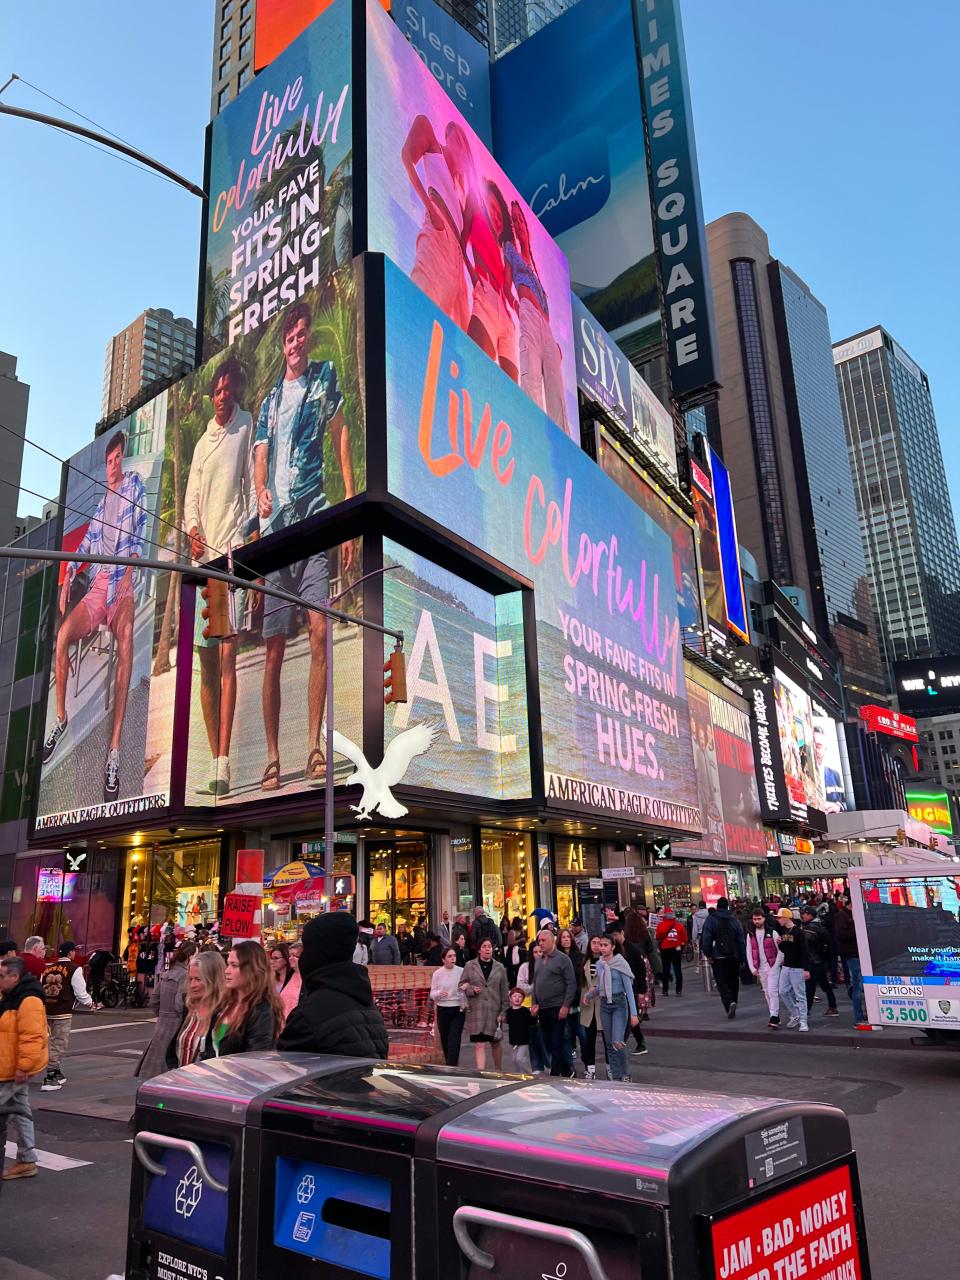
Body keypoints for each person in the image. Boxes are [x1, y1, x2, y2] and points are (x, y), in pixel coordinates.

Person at [253, 301, 355, 792]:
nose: (296, 343)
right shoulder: (271, 401)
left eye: (301, 336)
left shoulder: (325, 378)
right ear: (283, 344)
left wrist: (351, 506)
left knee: (320, 633)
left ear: (309, 339)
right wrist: (260, 491)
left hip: (315, 515)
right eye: (289, 337)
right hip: (277, 533)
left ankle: (313, 745)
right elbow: (261, 458)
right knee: (273, 649)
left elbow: (341, 436)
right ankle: (273, 756)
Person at [43, 429, 146, 801]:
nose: (114, 464)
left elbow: (137, 541)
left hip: (122, 586)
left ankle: (114, 752)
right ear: (105, 465)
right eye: (109, 460)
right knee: (61, 637)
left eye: (118, 457)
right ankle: (61, 720)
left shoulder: (135, 487)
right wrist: (69, 575)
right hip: (99, 587)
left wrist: (128, 578)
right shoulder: (102, 504)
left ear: (124, 459)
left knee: (127, 638)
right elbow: (87, 544)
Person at [183, 355, 256, 796]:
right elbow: (191, 497)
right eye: (218, 389)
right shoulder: (202, 441)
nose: (223, 396)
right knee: (206, 667)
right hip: (200, 566)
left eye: (230, 390)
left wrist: (244, 537)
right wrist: (192, 529)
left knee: (228, 660)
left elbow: (250, 486)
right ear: (212, 393)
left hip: (230, 562)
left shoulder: (246, 427)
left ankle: (225, 764)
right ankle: (213, 759)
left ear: (238, 393)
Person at [279, 914, 389, 1057]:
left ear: (318, 952)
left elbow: (287, 1069)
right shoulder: (368, 1005)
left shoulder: (309, 1014)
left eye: (306, 949)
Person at [403, 114, 473, 330]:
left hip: (457, 261)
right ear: (447, 135)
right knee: (421, 304)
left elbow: (463, 238)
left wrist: (470, 269)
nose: (462, 151)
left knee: (450, 332)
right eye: (458, 140)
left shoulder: (460, 190)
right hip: (438, 232)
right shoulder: (434, 146)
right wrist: (429, 207)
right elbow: (407, 156)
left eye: (467, 151)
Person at [504, 200, 568, 430]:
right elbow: (505, 286)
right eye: (515, 220)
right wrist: (519, 308)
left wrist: (552, 342)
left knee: (556, 390)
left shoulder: (535, 268)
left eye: (521, 219)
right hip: (528, 314)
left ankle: (562, 447)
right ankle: (531, 432)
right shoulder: (511, 250)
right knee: (530, 376)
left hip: (545, 326)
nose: (519, 223)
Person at [462, 178, 520, 383]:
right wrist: (472, 273)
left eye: (499, 214)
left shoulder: (503, 251)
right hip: (485, 295)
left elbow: (507, 289)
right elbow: (462, 240)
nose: (496, 216)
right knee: (472, 371)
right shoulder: (476, 211)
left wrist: (516, 307)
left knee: (511, 393)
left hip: (506, 317)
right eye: (492, 208)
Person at [0, 955, 47, 1181]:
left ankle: (27, 1159)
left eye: (1, 976)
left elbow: (32, 1036)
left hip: (12, 1069)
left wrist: (24, 1066)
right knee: (20, 1112)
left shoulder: (28, 1000)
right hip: (8, 1066)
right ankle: (27, 1159)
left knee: (15, 1112)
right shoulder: (10, 995)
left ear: (14, 976)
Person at [136, 942, 197, 1080]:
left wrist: (162, 1015)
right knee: (171, 1064)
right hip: (176, 1022)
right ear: (189, 956)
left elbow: (154, 1001)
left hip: (162, 1022)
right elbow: (179, 1004)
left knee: (155, 1064)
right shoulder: (185, 975)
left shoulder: (167, 973)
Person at [211, 941, 284, 1056]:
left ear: (252, 969)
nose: (227, 971)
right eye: (228, 964)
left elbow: (255, 1060)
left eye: (234, 965)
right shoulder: (225, 1004)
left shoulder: (262, 1012)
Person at [584, 934, 638, 1083]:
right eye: (600, 945)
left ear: (613, 947)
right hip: (604, 1004)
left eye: (605, 945)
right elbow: (601, 986)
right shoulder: (600, 964)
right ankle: (615, 1076)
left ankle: (625, 1073)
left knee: (617, 1041)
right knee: (608, 1043)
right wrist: (589, 995)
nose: (602, 948)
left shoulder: (620, 963)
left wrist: (634, 1013)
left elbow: (628, 989)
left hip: (619, 1003)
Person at [41, 941, 94, 1091]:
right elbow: (80, 991)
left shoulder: (48, 968)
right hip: (62, 1011)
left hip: (46, 1009)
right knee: (59, 1043)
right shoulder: (74, 968)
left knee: (47, 1041)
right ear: (71, 953)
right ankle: (50, 1077)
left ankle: (56, 1071)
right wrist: (90, 1003)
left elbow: (40, 987)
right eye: (74, 951)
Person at [167, 951, 227, 1068]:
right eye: (190, 979)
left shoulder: (224, 1014)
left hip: (205, 1083)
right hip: (180, 1082)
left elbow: (221, 1057)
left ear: (213, 980)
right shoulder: (190, 1008)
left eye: (198, 979)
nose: (192, 985)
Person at [530, 927, 576, 1078]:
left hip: (557, 1006)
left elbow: (571, 983)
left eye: (544, 941)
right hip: (543, 1008)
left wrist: (565, 1005)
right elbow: (536, 983)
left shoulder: (563, 959)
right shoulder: (539, 961)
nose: (541, 944)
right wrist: (534, 1003)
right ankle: (567, 1069)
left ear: (552, 941)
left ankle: (555, 1075)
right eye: (539, 941)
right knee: (547, 1042)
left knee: (557, 1043)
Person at [459, 938, 509, 1071]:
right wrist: (471, 990)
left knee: (496, 1042)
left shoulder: (500, 968)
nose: (487, 949)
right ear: (479, 950)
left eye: (489, 946)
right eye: (484, 946)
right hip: (477, 1011)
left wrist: (504, 1011)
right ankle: (481, 1074)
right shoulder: (470, 965)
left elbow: (504, 991)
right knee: (479, 1044)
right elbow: (461, 985)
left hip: (494, 1010)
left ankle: (498, 1071)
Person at [700, 897, 746, 1019]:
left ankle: (729, 1003)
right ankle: (734, 1001)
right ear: (727, 907)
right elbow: (741, 940)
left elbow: (706, 939)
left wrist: (708, 954)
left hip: (718, 956)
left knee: (721, 983)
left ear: (717, 906)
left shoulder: (711, 920)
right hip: (733, 956)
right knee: (733, 981)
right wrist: (742, 957)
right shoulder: (734, 920)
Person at [610, 921, 648, 1054]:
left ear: (622, 933)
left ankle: (625, 1042)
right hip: (619, 989)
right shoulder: (614, 949)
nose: (614, 938)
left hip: (632, 988)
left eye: (616, 935)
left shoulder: (632, 949)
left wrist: (642, 990)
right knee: (628, 1017)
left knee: (629, 1016)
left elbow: (641, 970)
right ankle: (637, 1042)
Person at [746, 908, 783, 1028]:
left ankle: (774, 1016)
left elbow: (780, 951)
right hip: (761, 967)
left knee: (772, 991)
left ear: (764, 918)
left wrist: (775, 965)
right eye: (754, 919)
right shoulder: (750, 934)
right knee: (767, 992)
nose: (756, 921)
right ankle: (773, 1015)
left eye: (759, 919)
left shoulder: (772, 932)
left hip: (772, 966)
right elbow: (749, 951)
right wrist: (753, 968)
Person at [429, 945, 465, 1067]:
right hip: (442, 1009)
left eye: (454, 956)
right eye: (449, 956)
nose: (452, 958)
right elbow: (432, 994)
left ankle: (452, 1067)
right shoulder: (437, 974)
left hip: (457, 1008)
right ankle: (449, 1065)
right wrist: (439, 993)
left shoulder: (461, 971)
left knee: (454, 1041)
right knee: (444, 1040)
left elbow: (468, 986)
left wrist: (466, 987)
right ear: (443, 959)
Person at [775, 908, 810, 1033]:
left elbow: (804, 951)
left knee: (800, 995)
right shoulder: (785, 931)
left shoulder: (798, 932)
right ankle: (796, 1014)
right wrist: (780, 943)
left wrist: (806, 969)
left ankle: (803, 1021)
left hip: (797, 967)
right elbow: (786, 949)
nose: (778, 920)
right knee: (783, 991)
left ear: (786, 917)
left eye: (780, 917)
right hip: (787, 966)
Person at [800, 906, 839, 1017]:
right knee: (824, 985)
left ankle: (807, 1009)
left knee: (810, 987)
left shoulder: (809, 929)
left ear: (809, 914)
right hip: (820, 961)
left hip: (813, 961)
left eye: (804, 914)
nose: (802, 916)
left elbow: (806, 946)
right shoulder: (820, 926)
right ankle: (832, 1006)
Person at [834, 899, 866, 1026]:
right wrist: (858, 930)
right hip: (852, 953)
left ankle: (863, 1015)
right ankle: (859, 1017)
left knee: (859, 984)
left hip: (855, 952)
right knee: (858, 984)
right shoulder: (843, 916)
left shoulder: (847, 915)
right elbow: (841, 934)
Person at [557, 928, 585, 1070]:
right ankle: (569, 1067)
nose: (566, 939)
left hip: (578, 1001)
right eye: (563, 937)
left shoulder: (580, 957)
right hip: (563, 1002)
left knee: (583, 1034)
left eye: (568, 937)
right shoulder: (556, 957)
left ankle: (588, 1064)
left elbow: (582, 979)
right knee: (566, 1036)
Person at [577, 936, 602, 1079]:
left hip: (601, 1003)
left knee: (607, 1040)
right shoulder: (585, 962)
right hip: (587, 1005)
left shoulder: (605, 962)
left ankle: (610, 1068)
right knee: (588, 1039)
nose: (597, 946)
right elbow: (582, 983)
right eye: (594, 943)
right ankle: (590, 1068)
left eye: (599, 943)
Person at [624, 911, 657, 1019]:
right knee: (645, 984)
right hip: (643, 959)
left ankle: (634, 1007)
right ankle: (645, 1009)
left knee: (633, 983)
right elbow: (650, 949)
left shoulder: (626, 934)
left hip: (630, 961)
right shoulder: (644, 933)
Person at [655, 907, 687, 996]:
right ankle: (679, 990)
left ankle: (665, 990)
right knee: (678, 969)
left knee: (666, 969)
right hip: (676, 949)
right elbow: (684, 938)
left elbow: (657, 937)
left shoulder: (661, 925)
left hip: (665, 950)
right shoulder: (679, 925)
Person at [505, 988, 534, 1074]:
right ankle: (519, 1075)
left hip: (524, 1039)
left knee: (520, 1059)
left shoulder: (525, 1011)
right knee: (514, 1060)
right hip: (513, 1040)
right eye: (514, 996)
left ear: (523, 999)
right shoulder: (509, 1011)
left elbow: (532, 1022)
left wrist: (533, 1015)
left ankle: (527, 1074)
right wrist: (502, 1019)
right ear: (510, 998)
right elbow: (507, 1021)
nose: (517, 998)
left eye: (520, 996)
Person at [280, 940, 303, 1020]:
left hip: (296, 1024)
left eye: (295, 956)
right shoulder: (289, 975)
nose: (291, 958)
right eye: (290, 955)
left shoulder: (307, 978)